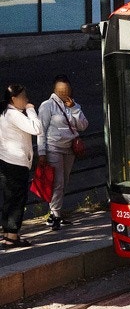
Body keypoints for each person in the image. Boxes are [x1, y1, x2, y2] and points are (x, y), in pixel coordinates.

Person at [36, 77, 88, 230]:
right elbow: (41, 130)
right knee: (57, 182)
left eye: (66, 90)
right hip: (54, 147)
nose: (63, 93)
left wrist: (74, 109)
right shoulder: (47, 106)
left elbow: (83, 125)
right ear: (55, 90)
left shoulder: (74, 105)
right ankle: (56, 215)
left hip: (70, 148)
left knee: (63, 181)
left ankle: (54, 213)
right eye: (60, 91)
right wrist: (42, 152)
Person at [0, 84, 42, 248]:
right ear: (14, 99)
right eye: (23, 97)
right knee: (17, 199)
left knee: (9, 199)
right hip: (15, 162)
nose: (26, 100)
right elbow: (36, 128)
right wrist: (31, 110)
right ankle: (12, 236)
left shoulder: (5, 113)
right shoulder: (13, 115)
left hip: (7, 161)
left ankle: (8, 234)